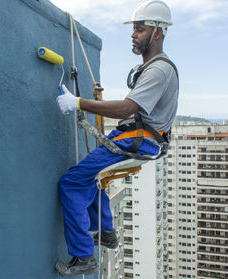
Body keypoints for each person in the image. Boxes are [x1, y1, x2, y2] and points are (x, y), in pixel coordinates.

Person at [55, 0, 179, 276]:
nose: (133, 35)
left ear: (158, 32)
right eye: (133, 29)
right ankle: (105, 231)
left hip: (139, 139)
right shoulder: (152, 67)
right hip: (137, 136)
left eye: (140, 29)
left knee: (72, 183)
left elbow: (126, 108)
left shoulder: (159, 69)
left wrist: (79, 102)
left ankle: (84, 256)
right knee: (91, 175)